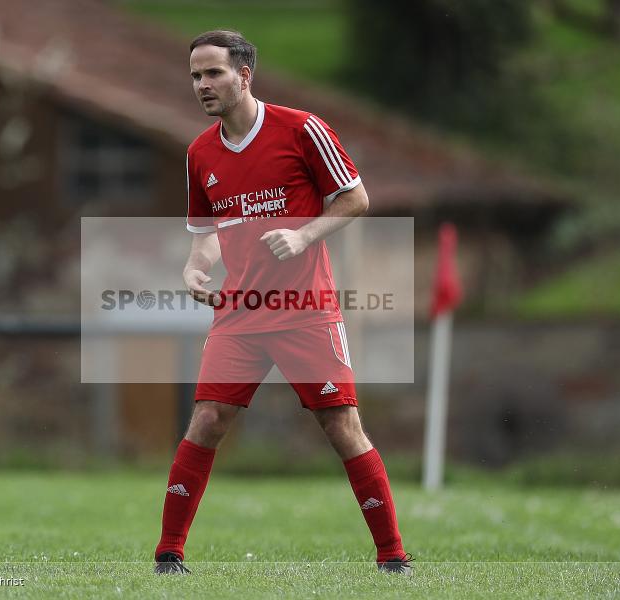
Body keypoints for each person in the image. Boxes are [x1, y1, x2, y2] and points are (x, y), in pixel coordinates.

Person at [154, 30, 412, 575]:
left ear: (244, 74)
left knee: (340, 424)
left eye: (214, 73)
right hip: (239, 312)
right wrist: (196, 267)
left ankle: (392, 555)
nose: (202, 85)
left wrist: (302, 236)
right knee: (207, 419)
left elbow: (356, 198)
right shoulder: (200, 153)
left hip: (306, 309)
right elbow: (207, 232)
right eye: (196, 76)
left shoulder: (302, 129)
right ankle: (168, 554)